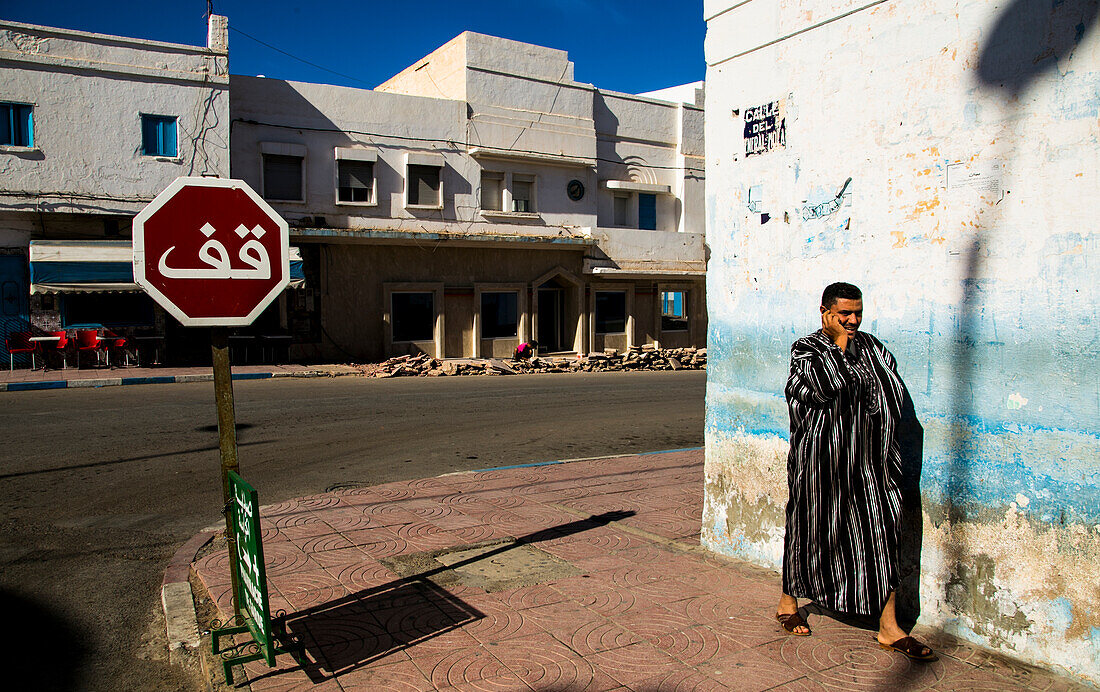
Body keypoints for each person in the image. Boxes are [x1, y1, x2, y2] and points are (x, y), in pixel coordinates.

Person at [775, 282, 935, 662]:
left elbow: (891, 391)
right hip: (823, 462)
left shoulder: (874, 347)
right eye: (844, 313)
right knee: (809, 527)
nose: (852, 320)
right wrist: (839, 347)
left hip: (871, 463)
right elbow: (825, 390)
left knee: (881, 535)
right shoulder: (808, 348)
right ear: (825, 312)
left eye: (857, 312)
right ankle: (787, 601)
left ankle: (889, 626)